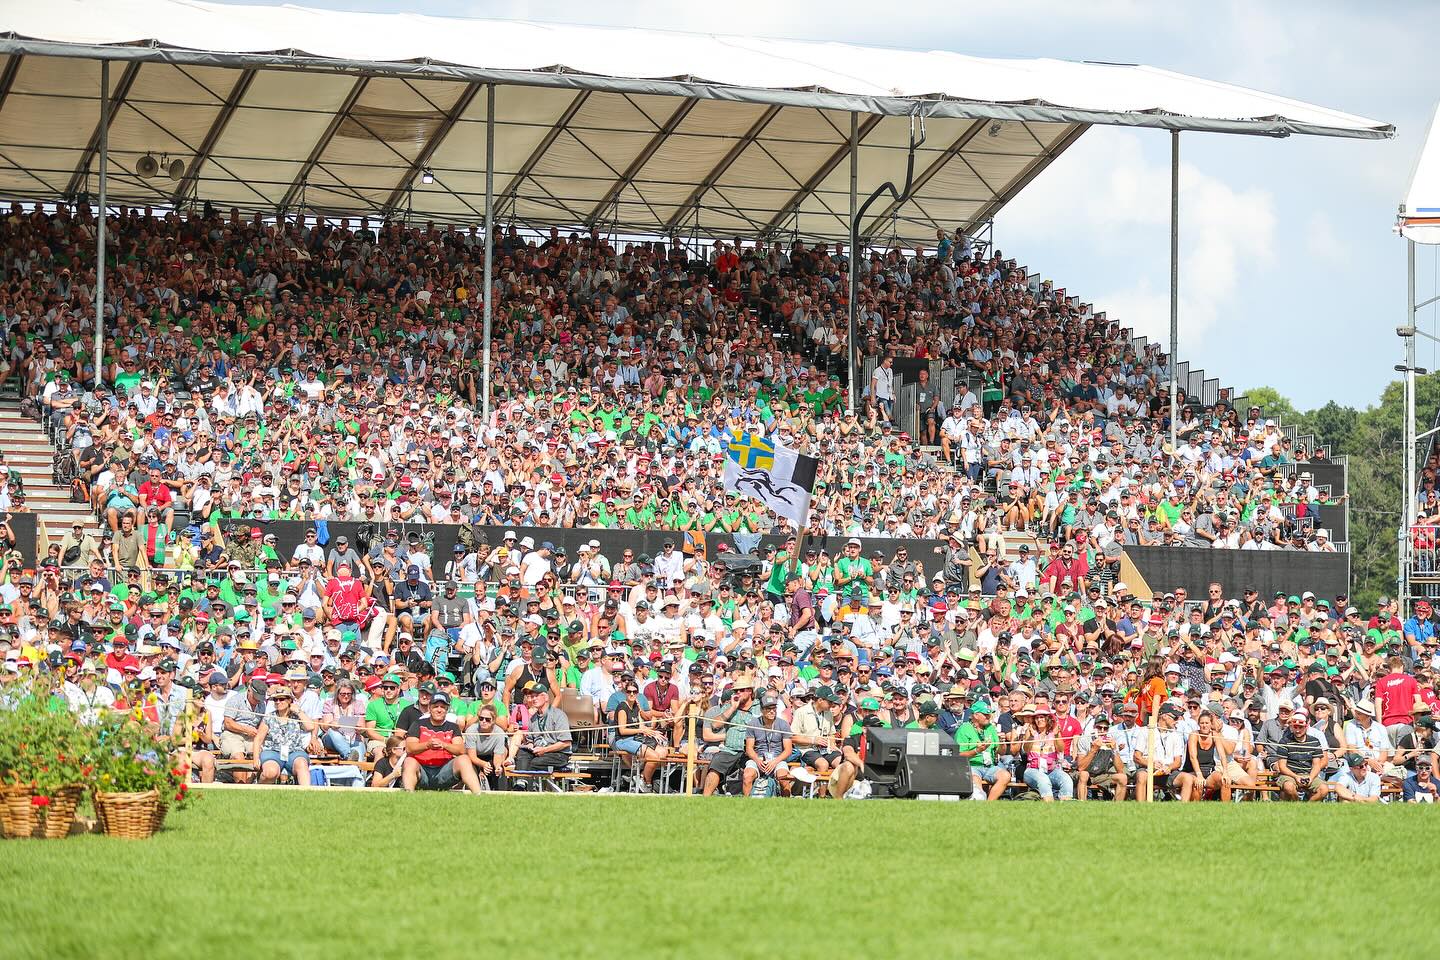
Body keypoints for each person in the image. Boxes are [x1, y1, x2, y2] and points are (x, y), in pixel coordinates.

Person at [402, 690, 484, 792]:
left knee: (464, 759)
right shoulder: (418, 724)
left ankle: (478, 794)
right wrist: (427, 745)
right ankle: (409, 795)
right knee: (409, 761)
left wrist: (444, 745)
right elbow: (409, 748)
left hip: (444, 771)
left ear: (447, 709)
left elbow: (461, 750)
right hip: (422, 770)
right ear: (429, 708)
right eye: (436, 706)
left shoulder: (453, 727)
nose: (439, 710)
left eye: (443, 707)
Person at [702, 677, 757, 796]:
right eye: (736, 691)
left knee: (750, 771)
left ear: (750, 691)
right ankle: (704, 799)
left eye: (741, 690)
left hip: (752, 750)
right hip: (730, 749)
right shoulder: (730, 706)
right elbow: (715, 724)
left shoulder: (759, 707)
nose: (738, 693)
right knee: (715, 765)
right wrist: (733, 707)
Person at [253, 684, 317, 785]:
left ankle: (306, 794)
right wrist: (256, 758)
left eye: (281, 699)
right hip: (273, 751)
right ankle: (259, 792)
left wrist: (298, 711)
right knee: (270, 772)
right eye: (275, 700)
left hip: (294, 751)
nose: (278, 702)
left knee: (302, 764)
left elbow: (310, 727)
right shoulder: (269, 717)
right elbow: (258, 739)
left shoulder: (297, 716)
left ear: (289, 700)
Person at [509, 681, 572, 784]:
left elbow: (566, 743)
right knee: (522, 754)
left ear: (546, 697)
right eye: (532, 696)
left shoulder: (559, 715)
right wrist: (529, 745)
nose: (534, 699)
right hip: (538, 752)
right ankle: (521, 783)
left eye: (537, 696)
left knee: (535, 762)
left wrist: (545, 749)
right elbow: (530, 741)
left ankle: (528, 787)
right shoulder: (533, 719)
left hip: (557, 754)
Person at [1271, 709, 1331, 802]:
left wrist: (1311, 777)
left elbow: (1316, 765)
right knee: (1289, 787)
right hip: (1290, 775)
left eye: (1300, 727)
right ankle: (1298, 803)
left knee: (1324, 789)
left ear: (1306, 726)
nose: (1298, 730)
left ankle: (1307, 806)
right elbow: (1282, 767)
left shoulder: (1314, 741)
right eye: (1295, 727)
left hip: (1308, 774)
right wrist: (1296, 777)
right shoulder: (1284, 741)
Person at [956, 700, 1012, 800]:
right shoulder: (964, 729)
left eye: (989, 714)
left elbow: (1001, 752)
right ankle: (980, 801)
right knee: (979, 792)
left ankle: (988, 804)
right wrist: (977, 751)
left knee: (1006, 776)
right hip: (971, 766)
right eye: (985, 714)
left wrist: (1002, 743)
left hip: (990, 766)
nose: (988, 717)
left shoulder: (990, 727)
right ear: (976, 715)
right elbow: (959, 755)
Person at [742, 694, 794, 798]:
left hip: (778, 759)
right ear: (761, 710)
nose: (772, 711)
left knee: (784, 779)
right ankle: (745, 804)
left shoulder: (783, 724)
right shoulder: (753, 724)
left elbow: (788, 750)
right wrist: (758, 761)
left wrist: (774, 762)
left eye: (774, 708)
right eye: (768, 708)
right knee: (747, 776)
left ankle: (786, 805)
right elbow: (749, 748)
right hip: (758, 758)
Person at [1019, 706, 1072, 801]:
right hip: (1032, 770)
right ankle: (1049, 806)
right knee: (1043, 779)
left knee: (1066, 779)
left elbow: (1060, 749)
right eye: (1037, 717)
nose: (1039, 720)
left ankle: (1066, 806)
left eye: (1042, 717)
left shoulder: (1054, 732)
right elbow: (1026, 750)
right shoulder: (1030, 731)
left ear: (1048, 719)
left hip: (1051, 770)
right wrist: (1031, 737)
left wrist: (1056, 735)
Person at [1073, 713, 1128, 802]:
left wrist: (1114, 750)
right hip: (1085, 773)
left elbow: (1120, 770)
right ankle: (1082, 804)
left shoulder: (1111, 741)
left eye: (1105, 728)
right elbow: (1081, 767)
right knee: (1084, 774)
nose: (1102, 730)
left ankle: (1118, 808)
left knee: (1123, 777)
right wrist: (1093, 750)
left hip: (1100, 775)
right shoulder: (1085, 739)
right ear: (1094, 727)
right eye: (1099, 727)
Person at [1185, 710, 1231, 801]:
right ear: (1198, 724)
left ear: (1211, 724)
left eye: (1207, 723)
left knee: (1225, 781)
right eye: (1202, 723)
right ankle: (1194, 811)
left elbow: (1222, 755)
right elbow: (1193, 757)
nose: (1204, 725)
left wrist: (1225, 772)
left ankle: (1227, 811)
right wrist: (1199, 775)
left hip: (1209, 771)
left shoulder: (1215, 735)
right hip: (1193, 771)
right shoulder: (1194, 735)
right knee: (1198, 784)